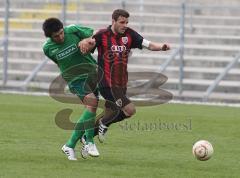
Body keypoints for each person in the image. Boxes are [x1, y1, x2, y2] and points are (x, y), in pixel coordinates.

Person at [79, 9, 170, 143]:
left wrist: (162, 47)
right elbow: (87, 47)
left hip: (121, 83)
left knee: (112, 113)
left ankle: (86, 137)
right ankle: (103, 125)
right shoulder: (102, 35)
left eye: (127, 22)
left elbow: (148, 44)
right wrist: (85, 43)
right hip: (106, 83)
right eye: (122, 22)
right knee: (129, 110)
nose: (125, 25)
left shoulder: (130, 34)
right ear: (113, 21)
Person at [42, 17, 100, 160]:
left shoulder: (73, 30)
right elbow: (59, 63)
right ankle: (90, 142)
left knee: (91, 109)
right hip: (75, 79)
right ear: (50, 37)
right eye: (56, 36)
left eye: (61, 33)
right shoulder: (47, 48)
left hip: (92, 73)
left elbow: (97, 35)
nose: (60, 37)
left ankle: (69, 145)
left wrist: (87, 41)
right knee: (92, 103)